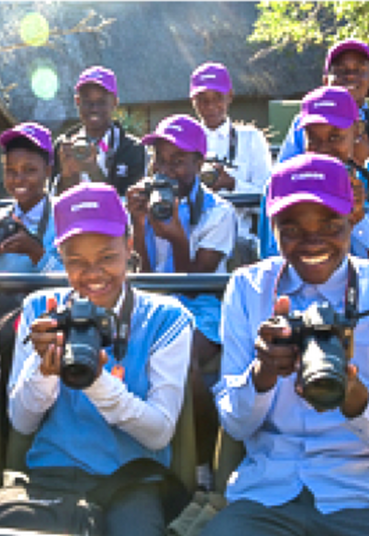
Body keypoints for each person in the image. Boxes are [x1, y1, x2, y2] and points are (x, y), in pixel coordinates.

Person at [202, 153, 369, 536]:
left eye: (330, 225)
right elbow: (235, 424)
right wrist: (261, 376)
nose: (313, 242)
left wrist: (356, 398)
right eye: (292, 229)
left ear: (354, 217)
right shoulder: (248, 289)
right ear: (271, 225)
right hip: (268, 494)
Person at [3, 182, 194, 536]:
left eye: (107, 257)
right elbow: (22, 422)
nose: (92, 274)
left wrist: (95, 381)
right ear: (60, 257)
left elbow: (158, 434)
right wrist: (43, 370)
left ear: (130, 245)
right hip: (50, 477)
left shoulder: (167, 319)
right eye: (76, 261)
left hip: (132, 480)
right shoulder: (38, 310)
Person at [126, 114, 236, 490]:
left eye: (179, 160)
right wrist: (139, 224)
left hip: (201, 304)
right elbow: (140, 270)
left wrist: (176, 238)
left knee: (179, 359)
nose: (168, 169)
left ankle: (203, 460)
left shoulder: (219, 212)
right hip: (152, 297)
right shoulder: (151, 197)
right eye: (161, 159)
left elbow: (195, 283)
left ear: (198, 164)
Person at [259, 86, 369, 267]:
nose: (323, 149)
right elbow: (269, 260)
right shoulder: (281, 186)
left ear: (357, 131)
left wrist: (358, 220)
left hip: (361, 293)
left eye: (335, 137)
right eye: (312, 138)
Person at [278, 38, 369, 191]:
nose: (350, 76)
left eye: (360, 70)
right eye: (340, 70)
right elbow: (282, 179)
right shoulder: (305, 123)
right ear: (326, 81)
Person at [0, 122, 62, 273]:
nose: (18, 179)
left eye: (30, 170)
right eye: (10, 170)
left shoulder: (66, 222)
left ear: (47, 171)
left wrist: (37, 253)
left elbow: (80, 284)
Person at [190, 62, 272, 244]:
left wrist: (232, 184)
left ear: (230, 97)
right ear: (193, 101)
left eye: (218, 97)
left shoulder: (251, 138)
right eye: (202, 99)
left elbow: (268, 199)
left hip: (238, 237)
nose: (210, 105)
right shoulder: (185, 141)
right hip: (191, 236)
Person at [51, 65, 148, 197]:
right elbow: (54, 205)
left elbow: (130, 208)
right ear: (77, 102)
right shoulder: (63, 145)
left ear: (114, 103)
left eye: (101, 102)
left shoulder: (132, 149)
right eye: (87, 102)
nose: (94, 108)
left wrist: (94, 171)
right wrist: (67, 175)